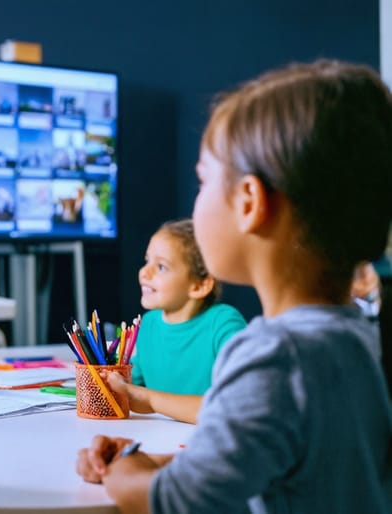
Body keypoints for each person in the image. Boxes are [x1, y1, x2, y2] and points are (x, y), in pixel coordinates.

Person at [76, 60, 392, 513]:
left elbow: (171, 502)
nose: (197, 197)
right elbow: (280, 466)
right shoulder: (358, 337)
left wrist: (121, 472)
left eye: (203, 180)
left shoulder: (275, 357)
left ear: (249, 202)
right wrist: (152, 460)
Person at [106, 219, 246, 423]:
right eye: (147, 261)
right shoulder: (148, 324)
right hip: (159, 440)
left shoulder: (224, 324)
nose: (145, 272)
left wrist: (150, 400)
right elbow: (134, 385)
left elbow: (237, 405)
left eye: (161, 267)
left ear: (199, 285)